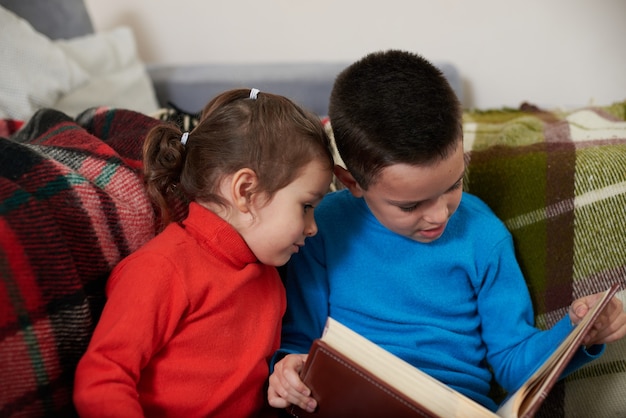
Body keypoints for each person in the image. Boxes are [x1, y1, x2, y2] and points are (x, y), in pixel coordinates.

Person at [267, 50, 626, 413]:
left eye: (453, 185)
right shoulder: (320, 228)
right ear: (351, 182)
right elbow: (300, 341)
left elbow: (513, 361)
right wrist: (287, 369)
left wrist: (578, 333)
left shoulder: (483, 235)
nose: (439, 215)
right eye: (411, 206)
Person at [73, 88, 334, 418]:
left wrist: (283, 374)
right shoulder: (162, 268)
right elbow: (101, 379)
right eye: (307, 206)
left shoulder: (270, 277)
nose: (313, 228)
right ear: (245, 191)